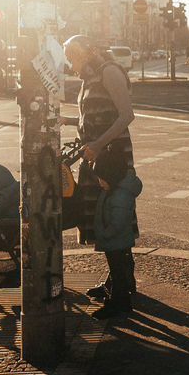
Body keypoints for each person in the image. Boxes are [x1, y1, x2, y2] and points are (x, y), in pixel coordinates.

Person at [62, 35, 135, 299]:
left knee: (113, 221)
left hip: (111, 159)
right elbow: (92, 116)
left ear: (85, 54)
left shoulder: (110, 72)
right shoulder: (89, 79)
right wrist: (67, 120)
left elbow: (126, 115)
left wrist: (98, 145)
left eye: (72, 56)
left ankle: (121, 295)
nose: (70, 63)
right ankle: (119, 281)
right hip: (97, 158)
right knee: (105, 221)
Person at [90, 143, 142, 320]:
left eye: (101, 178)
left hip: (115, 241)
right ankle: (122, 302)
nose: (99, 182)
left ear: (111, 176)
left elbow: (117, 223)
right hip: (115, 241)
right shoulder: (113, 189)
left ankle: (117, 303)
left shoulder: (120, 195)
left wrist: (104, 233)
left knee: (118, 275)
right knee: (118, 274)